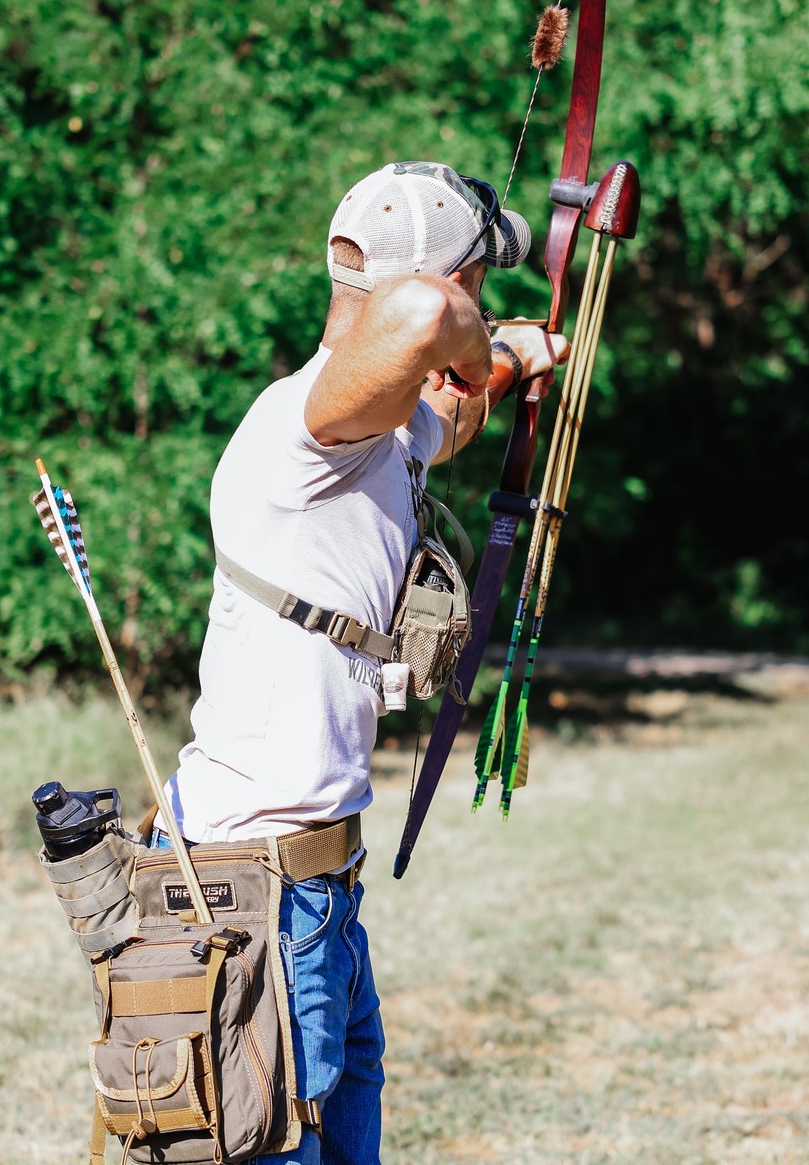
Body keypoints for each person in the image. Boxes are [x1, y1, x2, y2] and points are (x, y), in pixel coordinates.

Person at [163, 161, 568, 1164]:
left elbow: (448, 419)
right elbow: (425, 313)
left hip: (318, 887)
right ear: (454, 281)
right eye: (480, 282)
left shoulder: (371, 433)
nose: (475, 303)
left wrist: (508, 362)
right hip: (254, 890)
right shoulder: (303, 424)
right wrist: (473, 338)